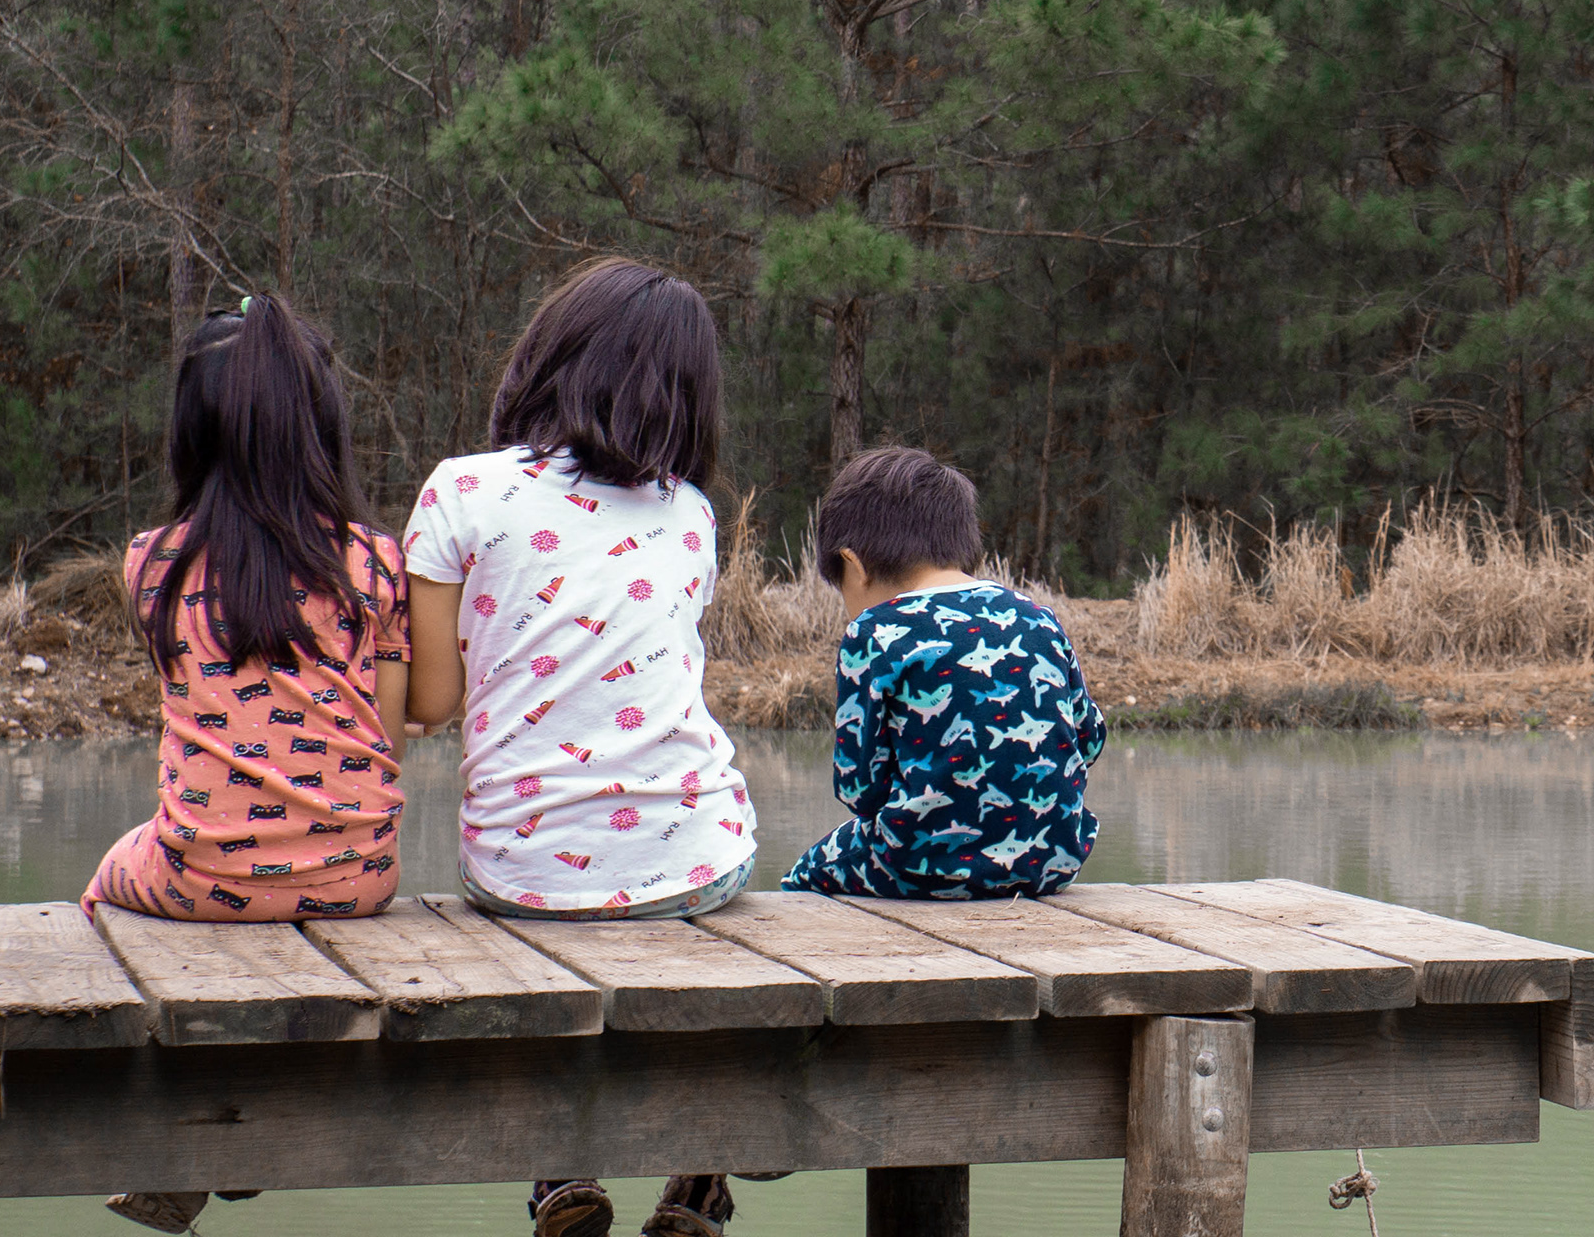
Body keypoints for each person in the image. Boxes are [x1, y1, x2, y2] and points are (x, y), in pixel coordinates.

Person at [400, 258, 759, 1237]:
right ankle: (701, 1168)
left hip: (521, 873)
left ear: (547, 356)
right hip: (693, 862)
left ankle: (560, 1171)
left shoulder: (461, 491)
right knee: (698, 880)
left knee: (546, 951)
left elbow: (431, 699)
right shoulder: (692, 512)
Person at [85, 295, 410, 1236]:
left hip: (199, 874)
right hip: (360, 877)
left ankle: (187, 1136)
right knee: (272, 897)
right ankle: (243, 1132)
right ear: (320, 426)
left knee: (103, 895)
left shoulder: (151, 565)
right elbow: (385, 739)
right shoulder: (375, 565)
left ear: (191, 431)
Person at [784, 446, 1105, 900]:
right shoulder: (1038, 619)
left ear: (853, 564)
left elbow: (858, 789)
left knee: (805, 873)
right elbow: (1090, 741)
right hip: (1052, 860)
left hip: (919, 864)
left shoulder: (873, 632)